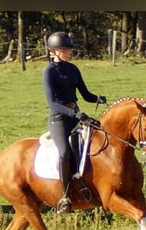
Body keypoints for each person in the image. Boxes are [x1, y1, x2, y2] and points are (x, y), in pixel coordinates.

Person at [43, 31, 107, 214]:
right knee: (64, 153)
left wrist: (98, 98)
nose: (68, 52)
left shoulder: (73, 69)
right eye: (65, 49)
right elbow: (52, 103)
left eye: (69, 49)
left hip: (76, 114)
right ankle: (65, 197)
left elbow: (85, 95)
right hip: (59, 118)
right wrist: (75, 114)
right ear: (54, 51)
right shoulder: (49, 72)